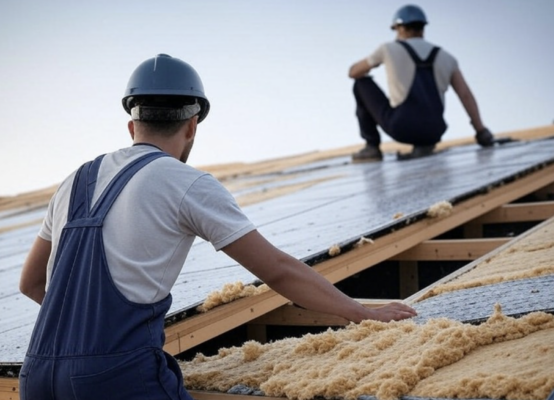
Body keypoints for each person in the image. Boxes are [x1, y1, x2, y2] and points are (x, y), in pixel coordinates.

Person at [18, 53, 417, 400]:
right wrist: (362, 313)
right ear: (192, 125)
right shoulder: (185, 182)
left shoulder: (75, 180)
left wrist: (77, 341)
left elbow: (31, 284)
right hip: (114, 379)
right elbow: (277, 269)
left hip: (35, 376)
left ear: (131, 126)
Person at [349, 4, 495, 162]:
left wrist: (376, 62)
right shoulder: (447, 57)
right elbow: (465, 95)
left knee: (361, 83)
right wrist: (480, 130)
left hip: (402, 128)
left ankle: (372, 147)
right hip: (435, 131)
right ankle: (424, 145)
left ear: (400, 28)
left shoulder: (388, 49)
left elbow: (353, 72)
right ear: (423, 28)